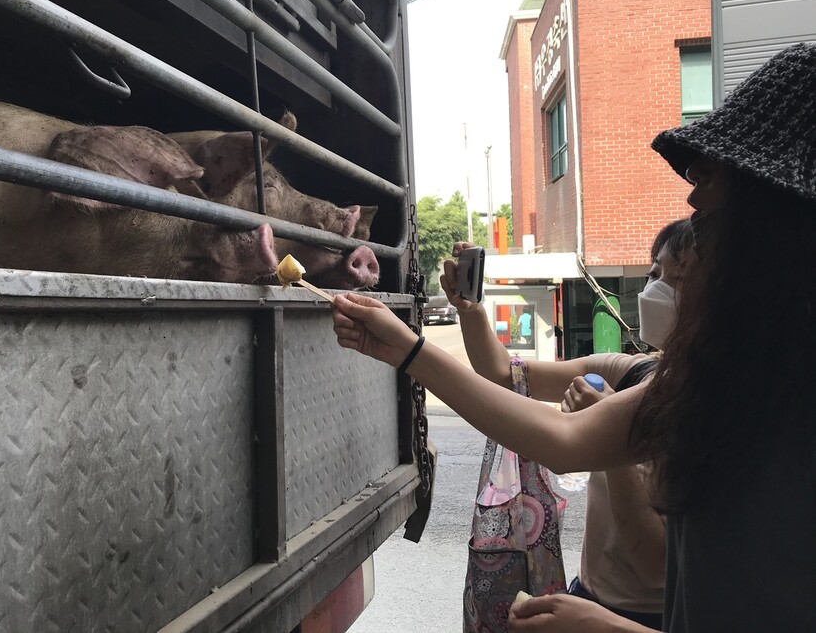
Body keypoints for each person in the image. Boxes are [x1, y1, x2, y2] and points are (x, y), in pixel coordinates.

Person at [330, 43, 816, 632]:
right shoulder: (711, 379)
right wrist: (426, 339)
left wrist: (609, 628)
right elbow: (551, 424)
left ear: (780, 228)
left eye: (714, 206)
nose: (692, 197)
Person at [446, 219, 693, 631]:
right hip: (587, 597)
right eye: (654, 275)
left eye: (677, 280)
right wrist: (471, 311)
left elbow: (655, 567)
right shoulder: (631, 372)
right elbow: (503, 373)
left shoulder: (711, 410)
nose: (656, 291)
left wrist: (612, 437)